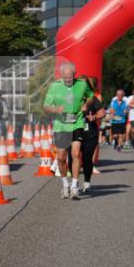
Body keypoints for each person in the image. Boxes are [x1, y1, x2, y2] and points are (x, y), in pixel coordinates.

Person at [44, 62, 93, 200]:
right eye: (65, 77)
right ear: (61, 75)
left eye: (70, 77)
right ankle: (65, 184)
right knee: (61, 157)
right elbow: (46, 106)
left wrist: (86, 104)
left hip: (77, 123)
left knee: (76, 153)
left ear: (74, 74)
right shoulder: (55, 86)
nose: (67, 80)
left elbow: (91, 96)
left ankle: (74, 186)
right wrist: (55, 109)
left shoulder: (82, 84)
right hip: (61, 126)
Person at [78, 75, 105, 194]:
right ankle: (73, 183)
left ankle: (87, 182)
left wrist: (94, 117)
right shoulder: (71, 98)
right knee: (73, 157)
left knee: (87, 159)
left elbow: (102, 113)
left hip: (90, 133)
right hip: (75, 132)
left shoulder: (93, 99)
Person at [125, 85, 134, 152]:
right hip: (131, 116)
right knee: (132, 131)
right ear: (133, 92)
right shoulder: (129, 98)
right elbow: (127, 107)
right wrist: (127, 112)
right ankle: (132, 141)